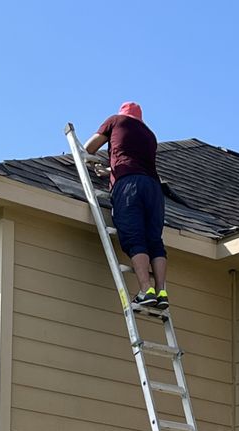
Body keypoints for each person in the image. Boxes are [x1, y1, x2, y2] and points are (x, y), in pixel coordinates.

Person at [84, 102, 168, 310]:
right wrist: (110, 170)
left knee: (134, 237)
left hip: (129, 185)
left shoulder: (115, 120)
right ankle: (161, 292)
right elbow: (134, 160)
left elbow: (89, 148)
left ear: (123, 114)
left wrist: (91, 161)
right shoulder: (150, 135)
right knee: (154, 241)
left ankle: (145, 290)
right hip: (154, 188)